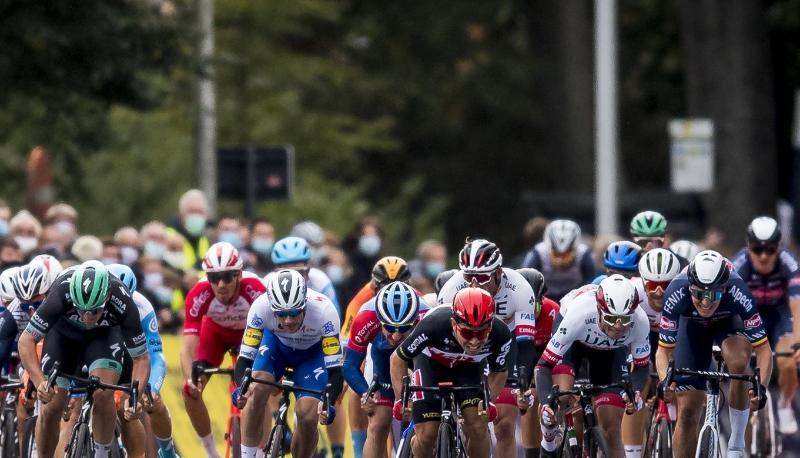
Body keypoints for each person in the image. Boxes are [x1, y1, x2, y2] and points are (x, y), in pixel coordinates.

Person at [17, 261, 149, 458]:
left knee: (104, 393)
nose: (87, 317)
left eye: (94, 311)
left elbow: (141, 358)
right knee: (51, 405)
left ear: (107, 297)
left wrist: (135, 397)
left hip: (103, 336)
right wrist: (39, 381)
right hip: (63, 336)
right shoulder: (60, 293)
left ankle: (101, 454)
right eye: (81, 310)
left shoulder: (122, 300)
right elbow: (26, 340)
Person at [656, 250, 772, 458]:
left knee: (738, 364)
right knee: (688, 410)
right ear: (690, 288)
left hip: (728, 321)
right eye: (699, 294)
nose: (706, 302)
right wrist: (665, 381)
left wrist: (761, 387)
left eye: (713, 295)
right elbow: (663, 351)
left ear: (724, 289)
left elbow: (764, 350)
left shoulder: (739, 292)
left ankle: (736, 445)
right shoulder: (675, 292)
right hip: (691, 325)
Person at [437, 238, 536, 458]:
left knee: (503, 425)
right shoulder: (451, 289)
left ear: (498, 273)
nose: (474, 283)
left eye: (481, 277)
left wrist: (523, 378)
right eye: (468, 276)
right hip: (464, 347)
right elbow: (441, 336)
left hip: (502, 346)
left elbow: (525, 343)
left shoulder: (519, 288)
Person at [535, 275, 650, 458]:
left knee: (611, 426)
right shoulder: (578, 315)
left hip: (610, 353)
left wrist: (634, 392)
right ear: (599, 309)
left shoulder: (640, 321)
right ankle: (548, 440)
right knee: (564, 395)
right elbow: (543, 366)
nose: (619, 326)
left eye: (625, 319)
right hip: (574, 344)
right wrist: (546, 402)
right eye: (612, 318)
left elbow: (642, 366)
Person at [390, 287, 512, 458]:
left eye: (482, 333)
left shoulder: (501, 334)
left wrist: (488, 399)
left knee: (477, 425)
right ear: (454, 325)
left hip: (470, 369)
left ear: (490, 327)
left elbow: (499, 371)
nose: (475, 341)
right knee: (426, 435)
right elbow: (398, 358)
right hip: (431, 366)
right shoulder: (433, 324)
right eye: (467, 333)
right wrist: (401, 399)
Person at [234, 269, 342, 458]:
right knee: (256, 389)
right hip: (276, 347)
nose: (288, 320)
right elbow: (245, 360)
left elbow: (335, 371)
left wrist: (329, 403)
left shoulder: (325, 311)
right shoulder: (260, 307)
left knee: (308, 415)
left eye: (294, 313)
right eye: (281, 314)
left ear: (305, 304)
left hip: (312, 356)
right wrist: (241, 390)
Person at [180, 242, 266, 458]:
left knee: (260, 390)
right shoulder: (198, 294)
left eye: (227, 277)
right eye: (213, 277)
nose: (220, 284)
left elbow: (271, 335)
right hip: (215, 336)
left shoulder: (256, 289)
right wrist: (190, 378)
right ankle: (210, 452)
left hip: (251, 337)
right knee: (190, 390)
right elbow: (188, 345)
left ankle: (261, 451)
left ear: (239, 275)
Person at [343, 282, 428, 458]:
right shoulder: (365, 317)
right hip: (382, 359)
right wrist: (366, 392)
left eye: (404, 328)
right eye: (389, 328)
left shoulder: (426, 317)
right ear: (379, 319)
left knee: (427, 425)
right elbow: (350, 365)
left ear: (414, 320)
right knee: (377, 425)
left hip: (418, 359)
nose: (396, 336)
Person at [732, 216, 800, 433]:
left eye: (769, 250)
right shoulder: (739, 264)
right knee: (741, 364)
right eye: (757, 249)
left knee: (788, 362)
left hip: (780, 315)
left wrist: (798, 342)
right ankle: (746, 412)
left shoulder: (789, 263)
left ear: (778, 248)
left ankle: (785, 405)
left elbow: (797, 306)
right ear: (747, 246)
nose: (763, 256)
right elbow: (730, 308)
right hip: (750, 316)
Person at [340, 255, 411, 458]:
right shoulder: (363, 307)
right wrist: (365, 391)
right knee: (374, 415)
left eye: (398, 285)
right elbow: (349, 352)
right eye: (384, 286)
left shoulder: (418, 304)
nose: (392, 292)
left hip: (409, 355)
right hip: (378, 351)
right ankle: (358, 448)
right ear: (373, 285)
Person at [107, 264, 177, 458]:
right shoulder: (92, 300)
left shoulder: (142, 306)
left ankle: (167, 451)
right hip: (102, 352)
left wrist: (151, 389)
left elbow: (156, 356)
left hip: (133, 357)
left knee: (149, 401)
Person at [621, 248, 681, 458]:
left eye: (665, 285)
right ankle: (632, 452)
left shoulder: (684, 293)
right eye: (653, 285)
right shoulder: (632, 292)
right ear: (643, 282)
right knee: (639, 380)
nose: (659, 291)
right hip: (640, 338)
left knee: (681, 377)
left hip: (670, 339)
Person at [517, 268, 560, 458]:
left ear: (542, 300)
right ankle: (532, 453)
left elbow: (563, 351)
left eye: (533, 306)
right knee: (530, 396)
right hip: (521, 356)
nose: (528, 313)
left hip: (547, 355)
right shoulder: (509, 311)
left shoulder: (553, 310)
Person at [522, 219, 596, 301]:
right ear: (549, 249)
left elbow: (591, 287)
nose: (560, 261)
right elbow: (525, 286)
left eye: (566, 255)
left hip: (574, 300)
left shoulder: (584, 256)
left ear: (575, 250)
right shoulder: (537, 255)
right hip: (543, 300)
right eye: (556, 254)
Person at [166, 189, 211, 271]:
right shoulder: (167, 237)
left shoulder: (205, 240)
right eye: (191, 211)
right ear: (181, 213)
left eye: (200, 212)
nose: (196, 216)